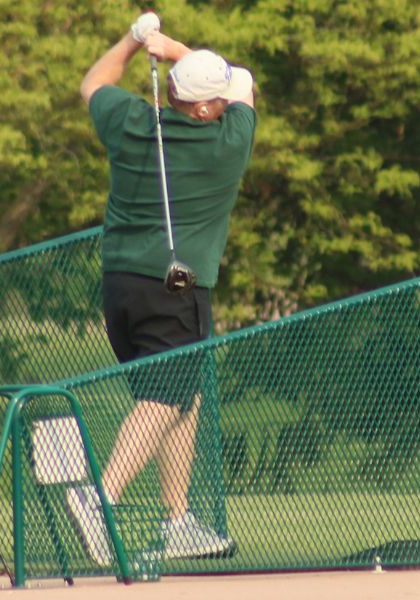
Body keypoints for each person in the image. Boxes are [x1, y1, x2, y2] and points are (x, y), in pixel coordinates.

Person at [68, 11, 255, 563]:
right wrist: (177, 49)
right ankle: (99, 496)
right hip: (175, 290)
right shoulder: (230, 143)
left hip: (120, 285)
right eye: (216, 99)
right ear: (203, 109)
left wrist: (135, 41)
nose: (225, 104)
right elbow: (245, 80)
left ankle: (177, 520)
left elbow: (92, 84)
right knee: (165, 398)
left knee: (182, 398)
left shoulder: (131, 120)